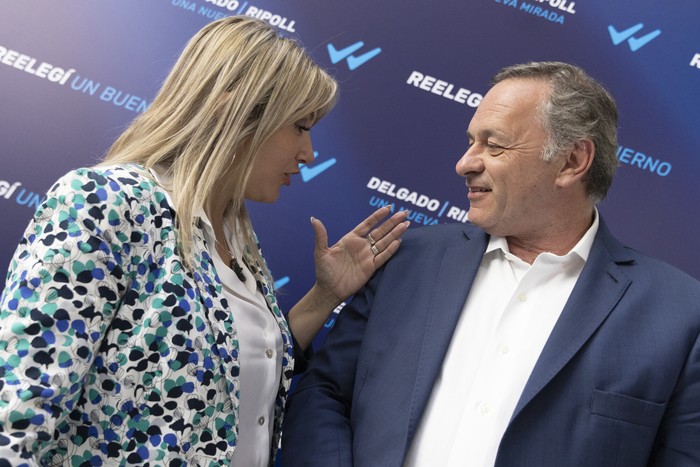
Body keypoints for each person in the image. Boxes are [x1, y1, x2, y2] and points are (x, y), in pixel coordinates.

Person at [0, 16, 409, 467]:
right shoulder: (106, 202)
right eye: (300, 126)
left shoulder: (235, 236)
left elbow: (232, 379)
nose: (309, 153)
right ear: (232, 110)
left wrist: (325, 297)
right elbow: (19, 414)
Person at [280, 61, 700, 467]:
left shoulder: (677, 316)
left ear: (572, 161)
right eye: (470, 142)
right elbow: (324, 392)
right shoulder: (403, 260)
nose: (465, 163)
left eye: (494, 145)